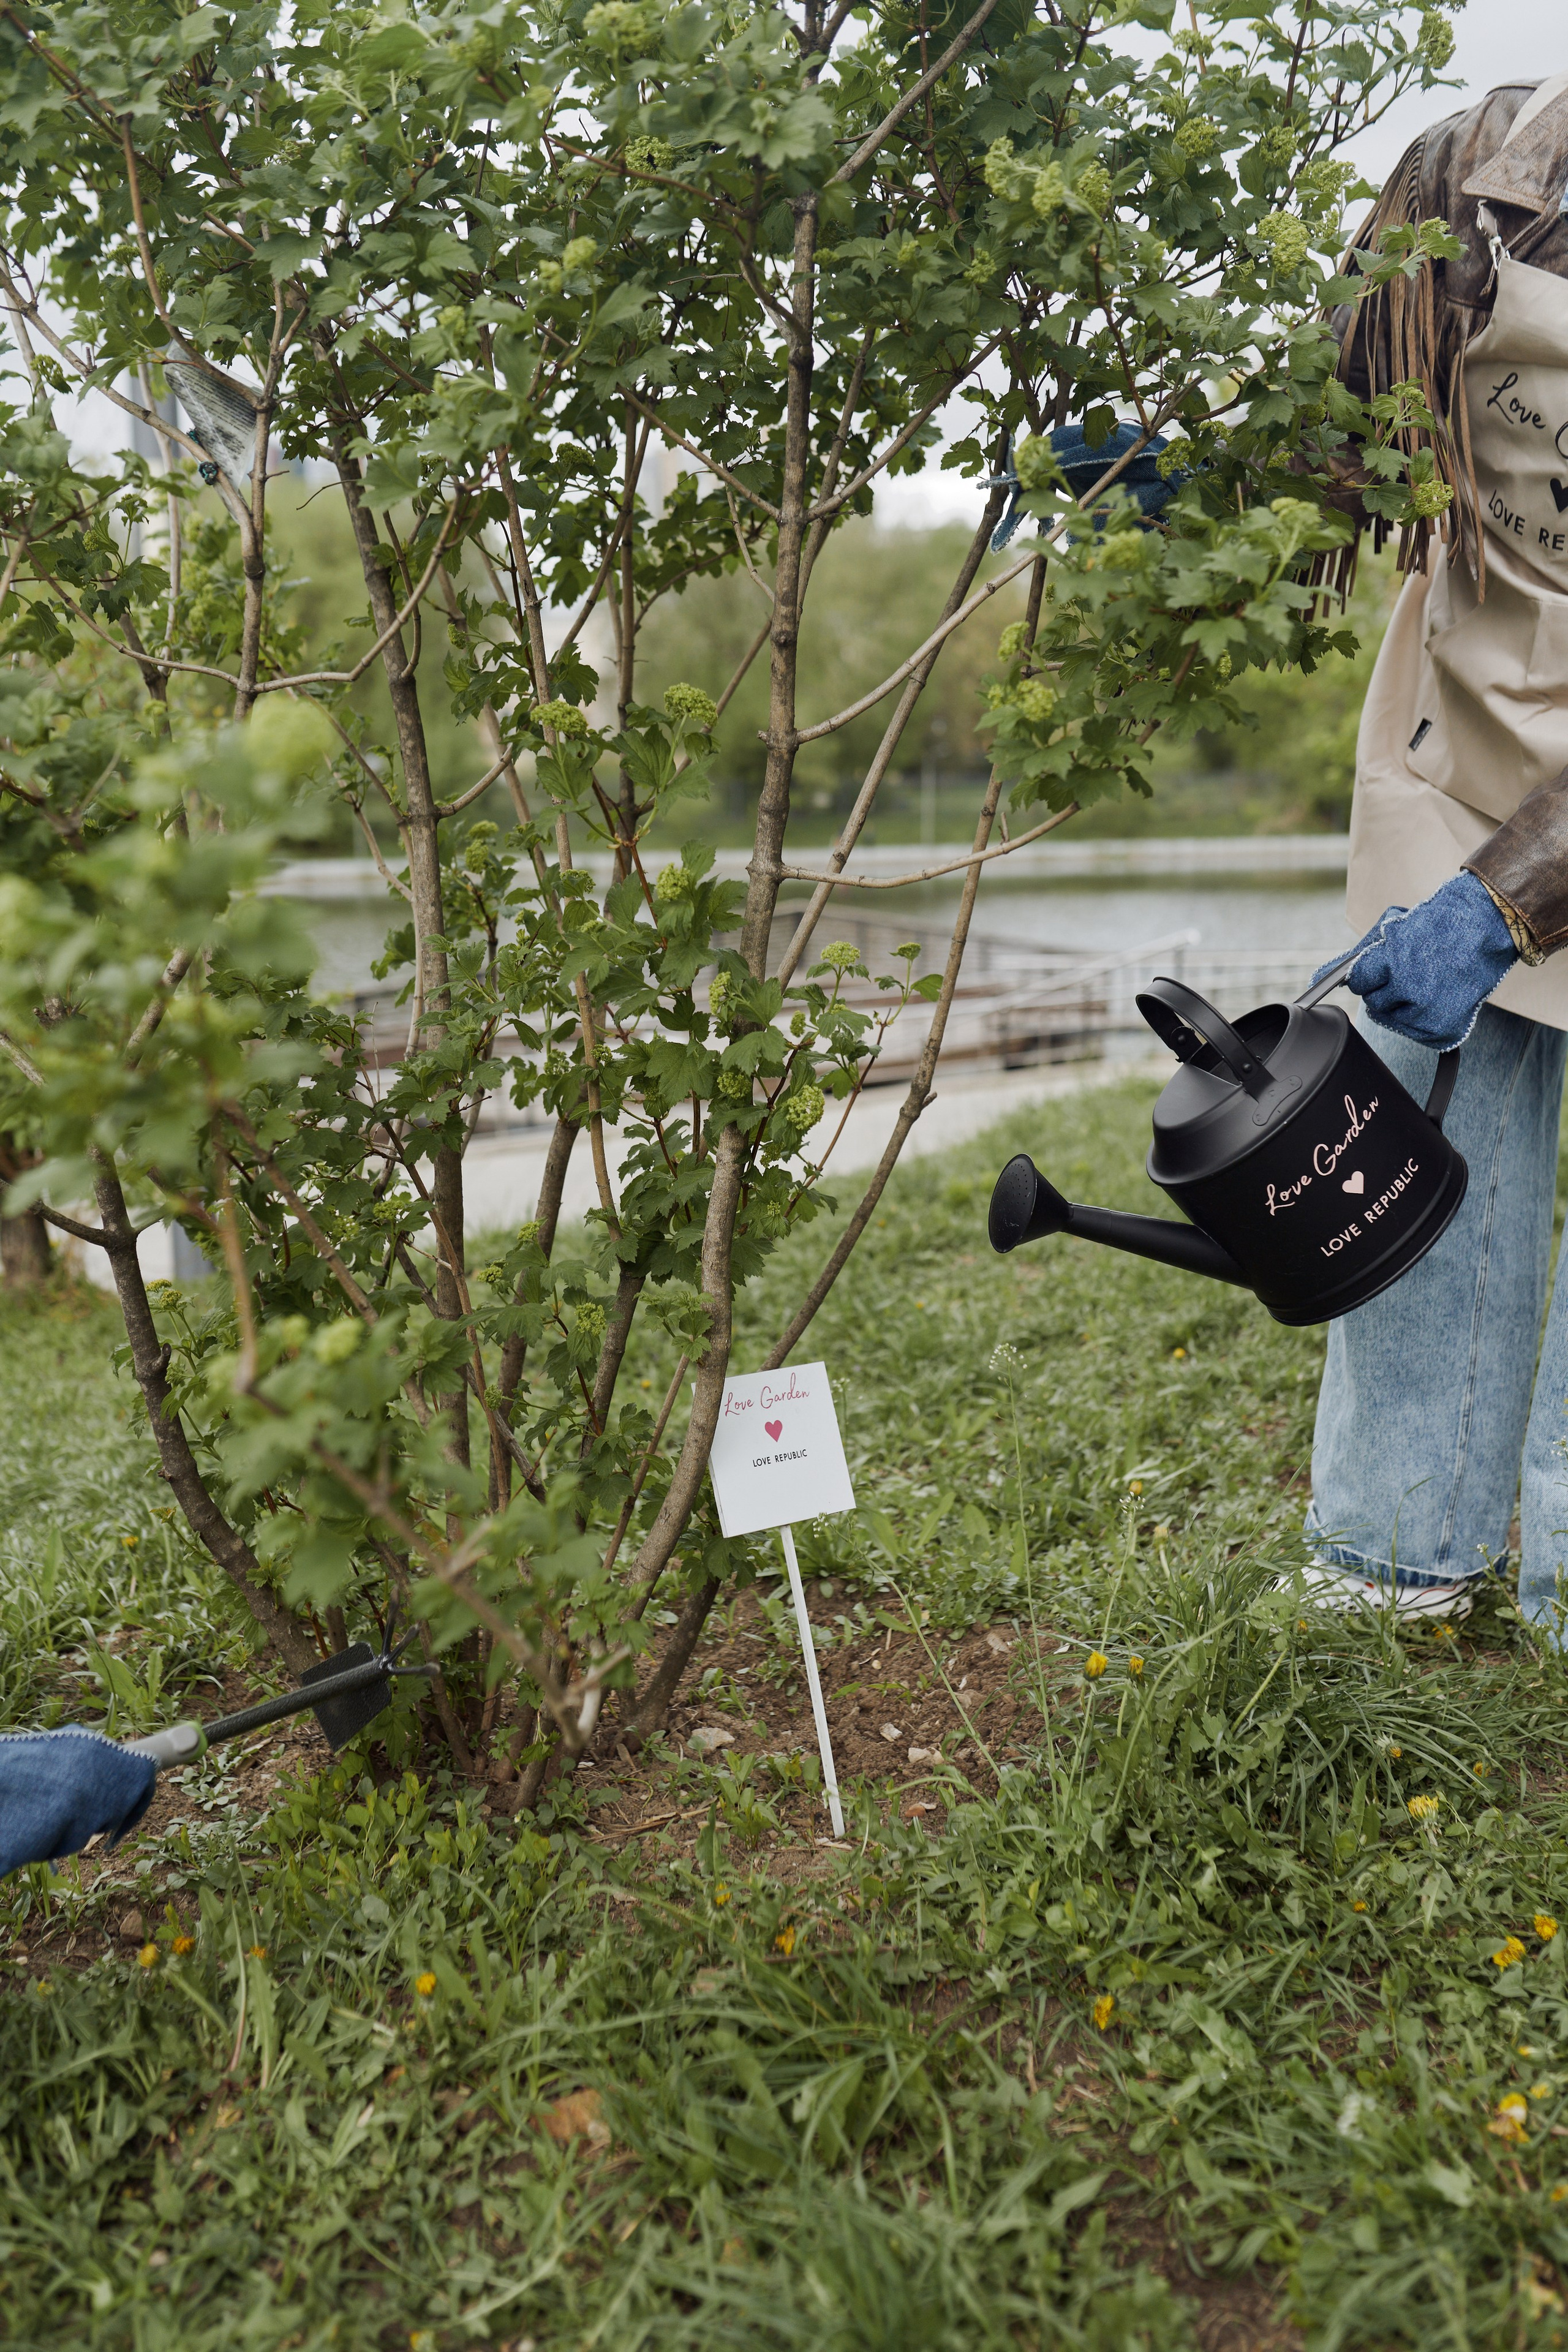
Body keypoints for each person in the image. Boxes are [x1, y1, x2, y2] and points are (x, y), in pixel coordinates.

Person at [1297, 72, 1568, 1626]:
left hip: (1518, 842)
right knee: (1412, 1161)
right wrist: (1184, 465)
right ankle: (1394, 1563)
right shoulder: (1475, 167)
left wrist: (1500, 906)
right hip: (1465, 736)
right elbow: (1345, 429)